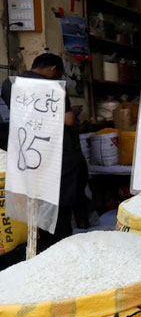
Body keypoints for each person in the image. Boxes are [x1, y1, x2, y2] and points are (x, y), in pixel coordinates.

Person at [0, 53, 88, 254]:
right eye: (58, 74)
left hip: (27, 152)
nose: (58, 78)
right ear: (52, 69)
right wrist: (73, 112)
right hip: (56, 155)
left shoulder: (10, 83)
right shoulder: (54, 87)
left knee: (35, 204)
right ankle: (59, 252)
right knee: (60, 209)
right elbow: (67, 121)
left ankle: (37, 249)